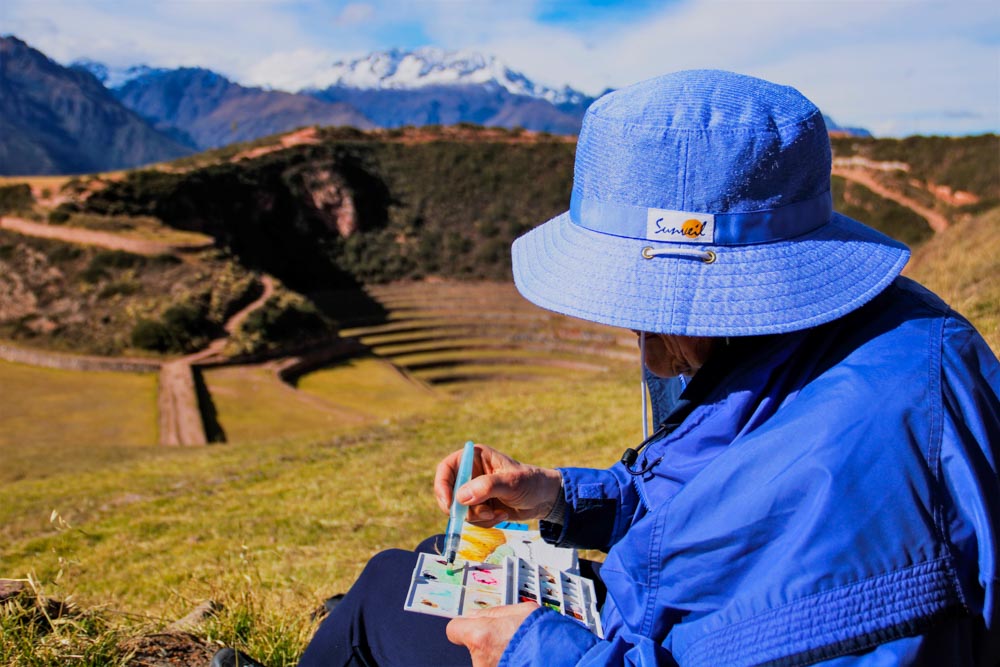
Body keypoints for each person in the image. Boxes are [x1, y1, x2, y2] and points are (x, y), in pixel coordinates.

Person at [292, 70, 1000, 666]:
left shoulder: (862, 453)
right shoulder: (857, 338)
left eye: (660, 317)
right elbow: (721, 490)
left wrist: (537, 650)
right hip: (645, 632)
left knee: (385, 597)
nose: (652, 349)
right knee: (429, 565)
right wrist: (563, 497)